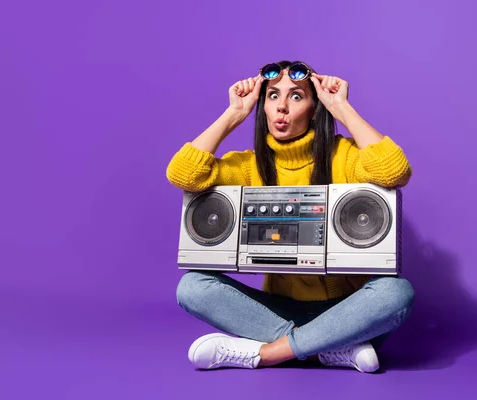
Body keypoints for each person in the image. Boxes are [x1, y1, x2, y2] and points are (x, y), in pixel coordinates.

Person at [166, 60, 415, 373]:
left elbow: (394, 171)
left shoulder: (345, 156)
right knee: (192, 287)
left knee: (396, 293)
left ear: (315, 109)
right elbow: (182, 174)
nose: (281, 107)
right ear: (264, 107)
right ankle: (327, 349)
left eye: (296, 96)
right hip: (275, 314)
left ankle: (267, 354)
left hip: (348, 312)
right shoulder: (247, 165)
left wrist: (341, 108)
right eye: (272, 96)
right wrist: (234, 114)